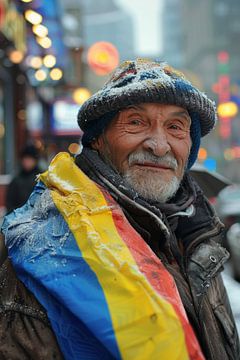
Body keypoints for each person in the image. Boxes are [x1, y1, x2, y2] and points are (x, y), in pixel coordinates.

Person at [0, 59, 239, 360]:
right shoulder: (40, 248)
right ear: (98, 140)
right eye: (136, 122)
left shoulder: (196, 236)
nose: (159, 145)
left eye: (176, 127)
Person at [5, 144, 41, 212]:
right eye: (25, 158)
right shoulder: (16, 180)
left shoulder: (42, 179)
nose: (27, 162)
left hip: (39, 220)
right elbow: (9, 204)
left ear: (35, 160)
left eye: (30, 159)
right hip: (19, 219)